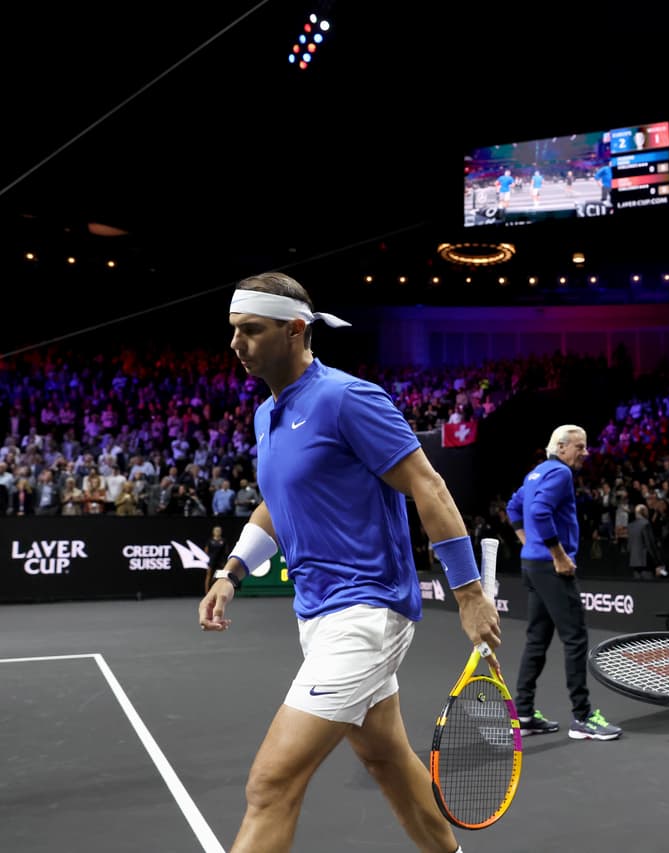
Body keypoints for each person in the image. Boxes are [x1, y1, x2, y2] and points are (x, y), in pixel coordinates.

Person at [198, 271, 499, 853]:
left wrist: (467, 594)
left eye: (251, 330)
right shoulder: (266, 415)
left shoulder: (347, 398)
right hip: (317, 615)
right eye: (233, 330)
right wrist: (230, 573)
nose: (236, 343)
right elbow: (277, 501)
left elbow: (429, 486)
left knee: (270, 783)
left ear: (295, 330)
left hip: (366, 612)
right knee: (387, 759)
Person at [505, 424, 621, 741]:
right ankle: (583, 717)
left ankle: (524, 713)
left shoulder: (536, 473)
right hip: (551, 569)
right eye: (580, 447)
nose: (585, 453)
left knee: (537, 639)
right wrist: (557, 555)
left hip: (532, 565)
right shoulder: (560, 473)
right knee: (575, 639)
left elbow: (513, 507)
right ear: (561, 447)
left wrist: (529, 543)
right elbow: (540, 511)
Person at [626, 502, 665, 580]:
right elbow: (650, 544)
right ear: (644, 512)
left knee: (637, 585)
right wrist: (658, 562)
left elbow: (629, 546)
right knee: (648, 584)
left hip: (634, 561)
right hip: (645, 561)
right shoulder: (646, 524)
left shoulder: (630, 526)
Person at [203, 524, 229, 594]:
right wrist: (211, 556)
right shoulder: (210, 541)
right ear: (213, 532)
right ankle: (207, 593)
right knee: (208, 576)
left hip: (220, 562)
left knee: (219, 576)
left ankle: (218, 591)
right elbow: (206, 550)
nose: (217, 532)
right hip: (212, 561)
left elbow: (226, 551)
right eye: (216, 531)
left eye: (219, 531)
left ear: (221, 532)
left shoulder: (223, 541)